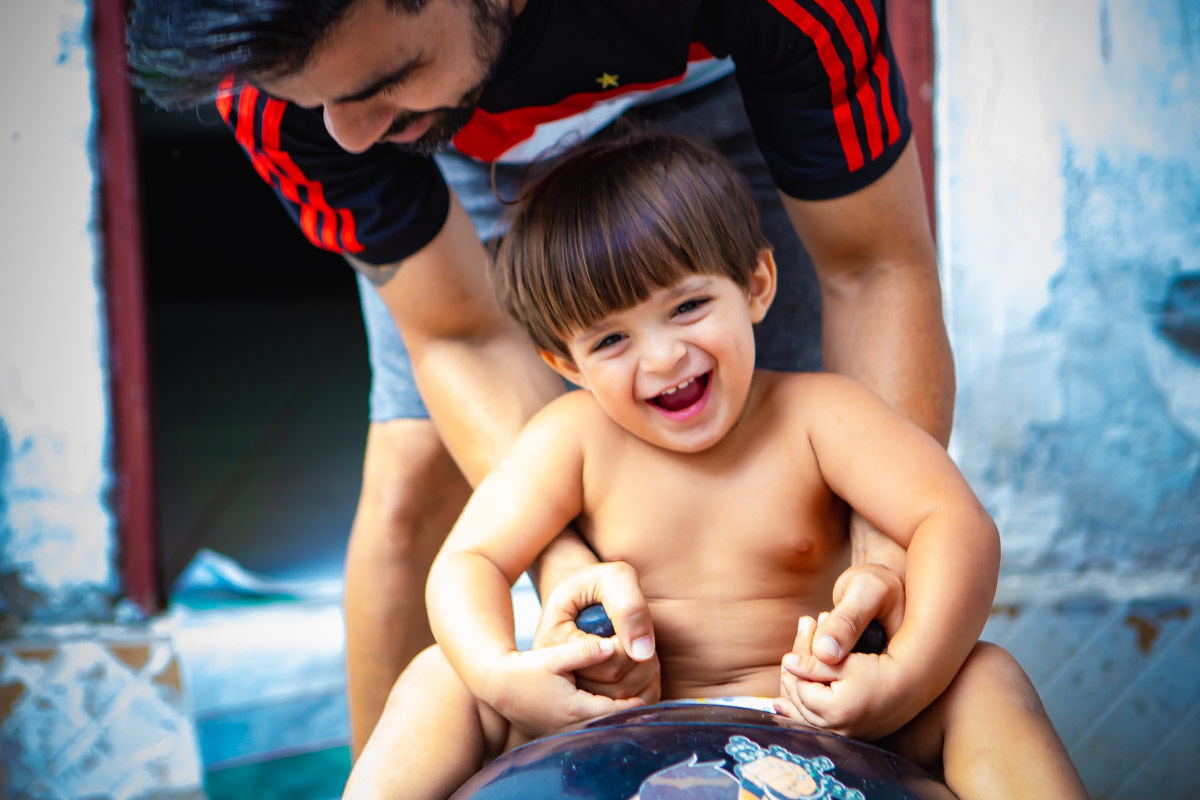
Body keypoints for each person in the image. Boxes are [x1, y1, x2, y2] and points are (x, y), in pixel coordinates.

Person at [126, 0, 937, 752]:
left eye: (384, 77)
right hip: (449, 143)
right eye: (322, 103)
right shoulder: (296, 95)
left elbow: (874, 267)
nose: (346, 135)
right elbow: (461, 336)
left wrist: (885, 555)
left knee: (776, 468)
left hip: (723, 81)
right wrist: (567, 564)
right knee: (413, 476)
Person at [343, 133, 1086, 800]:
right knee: (439, 676)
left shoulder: (822, 416)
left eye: (689, 306)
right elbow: (468, 560)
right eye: (610, 341)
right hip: (607, 728)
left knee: (986, 679)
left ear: (757, 285)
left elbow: (952, 523)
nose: (663, 357)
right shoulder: (568, 438)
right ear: (562, 361)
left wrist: (902, 681)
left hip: (823, 728)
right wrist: (501, 674)